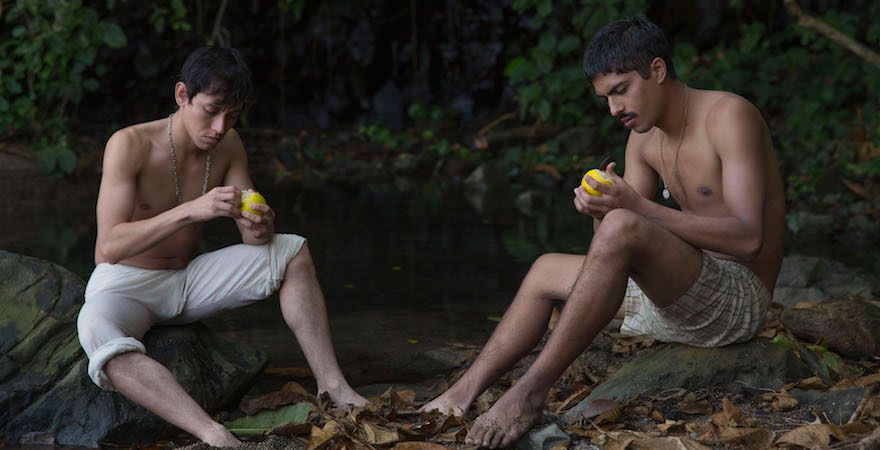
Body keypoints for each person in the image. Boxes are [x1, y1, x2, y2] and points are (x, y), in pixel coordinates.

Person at [420, 14, 785, 448]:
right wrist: (601, 209)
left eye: (620, 90)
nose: (614, 109)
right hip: (679, 295)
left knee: (627, 222)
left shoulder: (728, 116)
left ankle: (529, 395)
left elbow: (748, 239)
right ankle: (460, 394)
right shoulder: (643, 138)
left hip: (735, 302)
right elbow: (610, 250)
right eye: (606, 98)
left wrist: (635, 207)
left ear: (657, 69)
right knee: (544, 269)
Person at [76, 46, 368, 447]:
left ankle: (333, 387)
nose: (219, 126)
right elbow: (107, 248)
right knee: (96, 330)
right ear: (182, 95)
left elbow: (254, 240)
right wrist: (191, 211)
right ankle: (212, 433)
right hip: (125, 284)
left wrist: (261, 225)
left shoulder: (229, 144)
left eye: (232, 115)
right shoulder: (129, 144)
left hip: (186, 280)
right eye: (212, 110)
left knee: (292, 251)